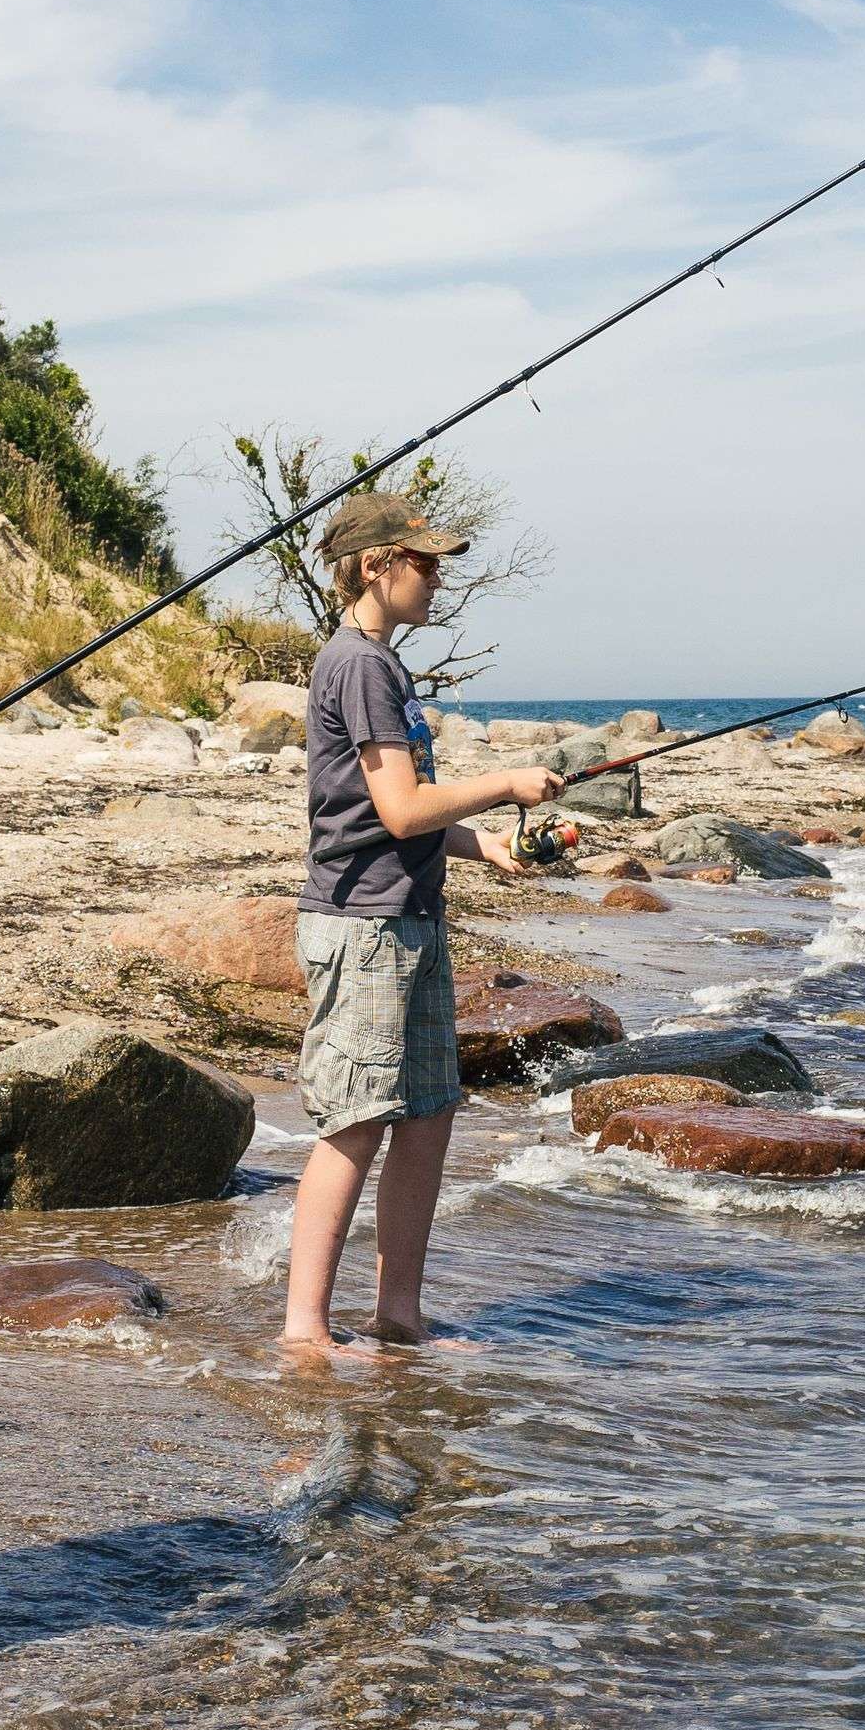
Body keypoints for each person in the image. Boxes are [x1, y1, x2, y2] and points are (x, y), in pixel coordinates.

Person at [282, 487, 562, 1369]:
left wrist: (486, 848)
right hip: (363, 929)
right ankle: (304, 1333)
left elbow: (400, 813)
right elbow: (402, 810)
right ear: (377, 565)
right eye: (426, 562)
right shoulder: (359, 665)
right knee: (357, 1122)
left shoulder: (384, 665)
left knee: (429, 1113)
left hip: (409, 921)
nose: (438, 578)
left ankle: (398, 1315)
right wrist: (508, 782)